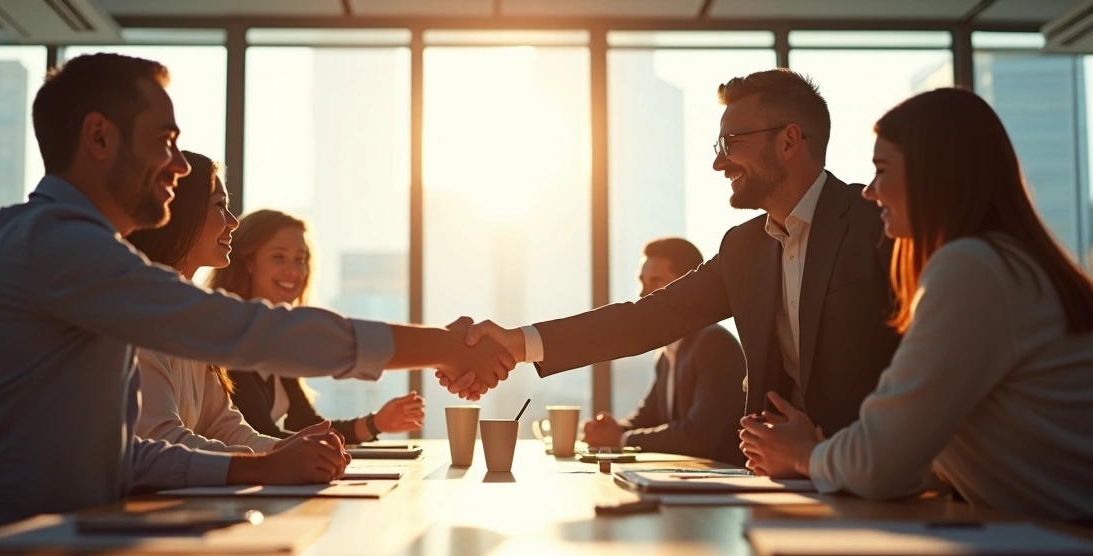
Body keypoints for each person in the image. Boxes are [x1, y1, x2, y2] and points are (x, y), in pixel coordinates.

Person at [0, 53, 513, 552]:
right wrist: (444, 346)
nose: (179, 166)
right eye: (165, 142)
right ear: (98, 139)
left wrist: (267, 460)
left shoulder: (74, 257)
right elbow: (248, 331)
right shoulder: (55, 244)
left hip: (28, 543)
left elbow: (128, 455)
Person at [446, 69, 901, 445]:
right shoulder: (743, 249)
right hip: (777, 482)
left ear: (788, 141)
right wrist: (518, 343)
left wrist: (825, 452)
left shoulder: (879, 225)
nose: (719, 164)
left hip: (880, 480)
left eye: (732, 143)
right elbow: (644, 319)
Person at [738, 88, 1093, 522]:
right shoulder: (999, 262)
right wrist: (828, 453)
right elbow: (916, 460)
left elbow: (882, 463)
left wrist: (804, 456)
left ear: (933, 174)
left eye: (882, 170)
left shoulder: (973, 268)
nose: (869, 192)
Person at [207, 209, 424, 444]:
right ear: (248, 262)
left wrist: (376, 423)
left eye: (300, 259)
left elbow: (305, 424)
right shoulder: (229, 336)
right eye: (279, 257)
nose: (294, 270)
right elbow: (259, 436)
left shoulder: (277, 339)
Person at [125, 152, 285, 453]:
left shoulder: (194, 317)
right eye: (220, 206)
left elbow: (223, 426)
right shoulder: (142, 313)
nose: (234, 222)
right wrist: (270, 463)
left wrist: (288, 451)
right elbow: (161, 439)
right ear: (183, 212)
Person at [581, 238, 746, 465]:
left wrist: (622, 438)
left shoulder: (715, 344)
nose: (642, 294)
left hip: (727, 486)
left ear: (690, 286)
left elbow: (699, 436)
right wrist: (615, 428)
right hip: (690, 479)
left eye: (655, 281)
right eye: (642, 281)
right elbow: (649, 417)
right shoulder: (668, 351)